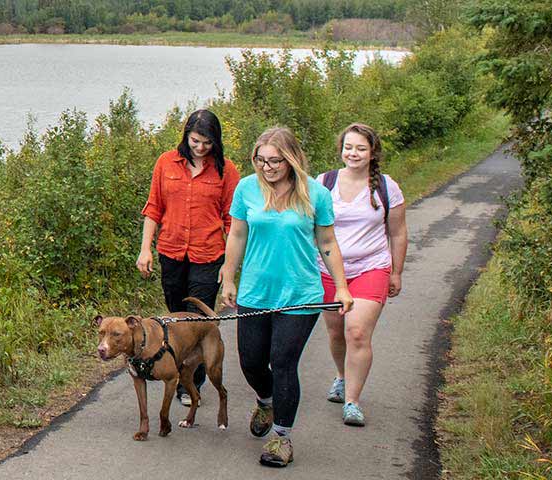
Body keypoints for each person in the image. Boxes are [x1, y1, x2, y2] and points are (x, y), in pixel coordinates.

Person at [219, 126, 354, 468]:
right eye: (261, 161)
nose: (267, 168)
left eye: (275, 161)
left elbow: (327, 243)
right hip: (255, 291)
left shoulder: (315, 194)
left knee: (282, 362)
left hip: (300, 294)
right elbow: (236, 235)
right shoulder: (247, 188)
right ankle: (266, 400)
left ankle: (281, 437)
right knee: (250, 361)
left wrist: (341, 286)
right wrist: (228, 277)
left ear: (291, 159)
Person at [136, 109, 239, 407]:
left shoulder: (226, 170)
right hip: (171, 251)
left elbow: (234, 221)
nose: (200, 147)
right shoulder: (166, 162)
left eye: (207, 142)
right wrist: (146, 248)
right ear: (186, 137)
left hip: (208, 254)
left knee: (198, 321)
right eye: (195, 140)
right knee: (175, 318)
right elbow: (153, 208)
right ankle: (177, 372)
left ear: (215, 142)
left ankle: (191, 383)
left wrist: (230, 267)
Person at [315, 124, 407, 427]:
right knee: (337, 332)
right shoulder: (324, 183)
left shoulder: (386, 187)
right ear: (341, 149)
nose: (353, 153)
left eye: (361, 148)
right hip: (329, 270)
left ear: (372, 153)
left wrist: (396, 271)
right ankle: (341, 376)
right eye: (349, 147)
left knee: (357, 332)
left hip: (372, 267)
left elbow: (397, 231)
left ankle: (352, 401)